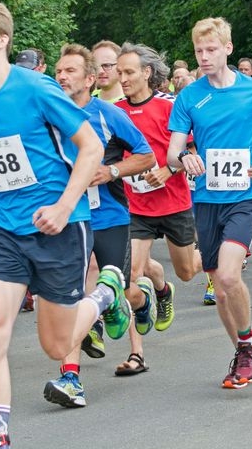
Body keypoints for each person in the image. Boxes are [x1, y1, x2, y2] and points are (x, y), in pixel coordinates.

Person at [0, 0, 132, 448]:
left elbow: (89, 148)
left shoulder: (38, 89)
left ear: (1, 40)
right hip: (3, 230)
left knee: (56, 344)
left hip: (60, 228)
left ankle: (106, 292)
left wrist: (65, 208)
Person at [167, 17, 252, 388]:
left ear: (228, 50)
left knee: (229, 274)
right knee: (219, 288)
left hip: (245, 196)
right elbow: (173, 151)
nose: (203, 57)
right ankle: (241, 349)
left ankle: (248, 347)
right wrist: (184, 157)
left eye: (210, 50)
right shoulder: (190, 96)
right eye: (198, 51)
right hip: (206, 198)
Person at [43, 43, 155, 407]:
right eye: (59, 71)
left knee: (122, 290)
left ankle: (141, 299)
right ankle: (70, 378)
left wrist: (112, 171)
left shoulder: (107, 114)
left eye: (71, 71)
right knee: (74, 293)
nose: (62, 76)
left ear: (91, 79)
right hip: (69, 218)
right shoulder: (46, 116)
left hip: (109, 216)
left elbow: (146, 155)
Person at [114, 43, 203, 376]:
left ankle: (165, 288)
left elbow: (191, 149)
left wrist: (169, 169)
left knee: (187, 271)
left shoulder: (169, 106)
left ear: (147, 73)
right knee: (129, 276)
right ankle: (137, 353)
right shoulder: (115, 110)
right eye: (119, 72)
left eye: (128, 72)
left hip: (174, 203)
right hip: (135, 206)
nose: (121, 78)